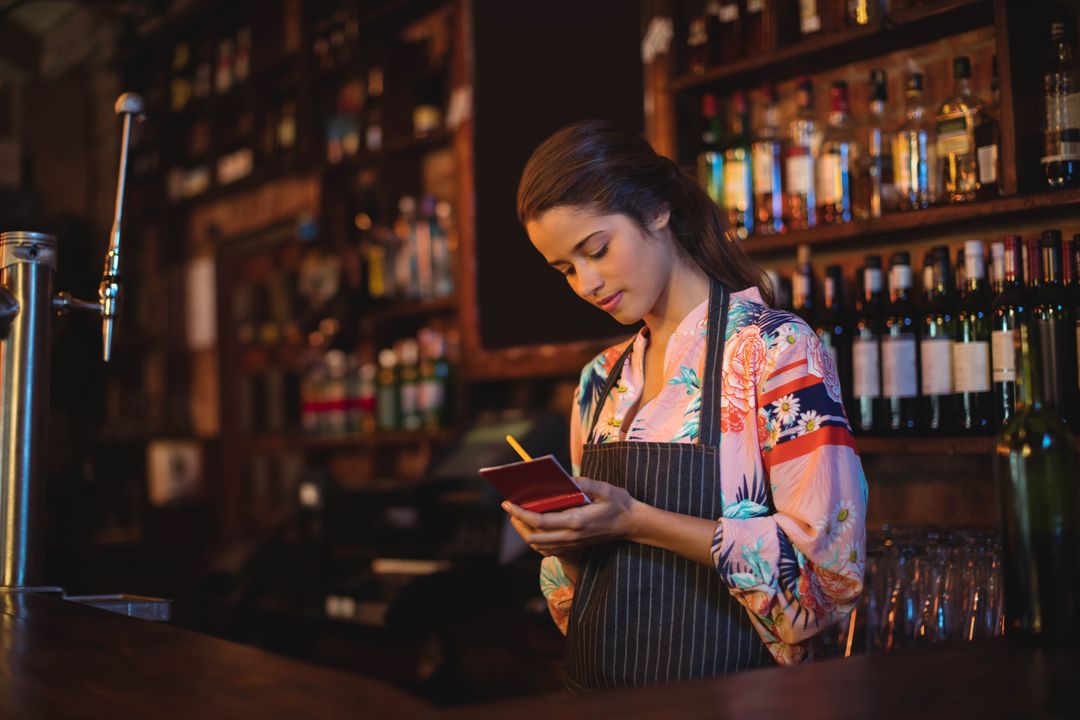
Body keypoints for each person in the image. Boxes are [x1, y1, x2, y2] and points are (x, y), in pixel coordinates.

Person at [502, 121, 867, 692]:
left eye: (596, 249)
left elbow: (826, 578)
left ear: (657, 210)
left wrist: (636, 520)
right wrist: (566, 541)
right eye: (566, 269)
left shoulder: (775, 352)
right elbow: (578, 601)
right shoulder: (600, 381)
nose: (587, 283)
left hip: (740, 698)